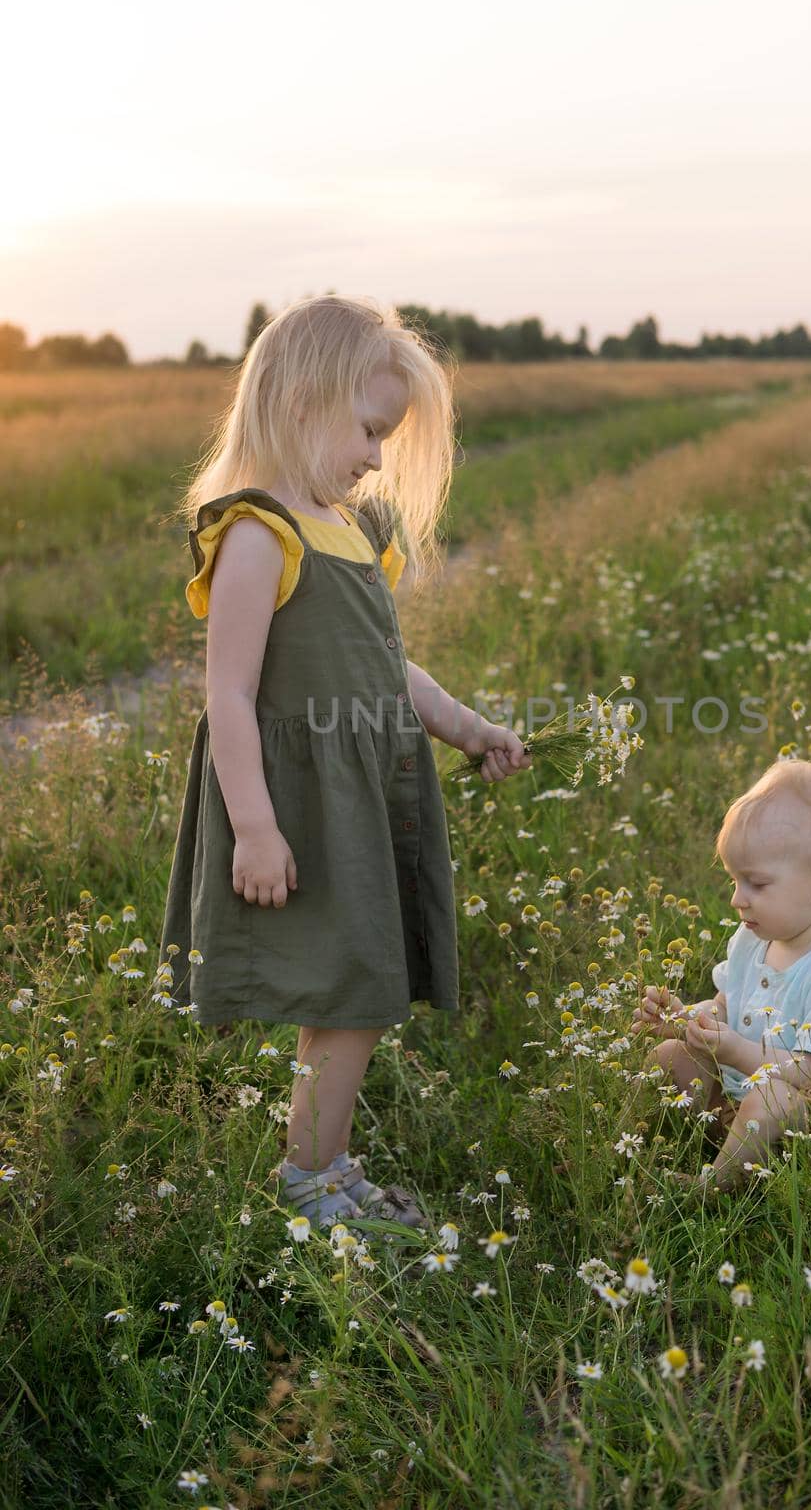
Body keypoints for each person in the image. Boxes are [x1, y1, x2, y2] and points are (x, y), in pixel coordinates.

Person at [158, 294, 531, 1231]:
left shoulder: (354, 530)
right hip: (298, 803)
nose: (375, 457)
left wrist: (468, 727)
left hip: (363, 793)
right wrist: (253, 827)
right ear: (298, 401)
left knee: (357, 986)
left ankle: (320, 1166)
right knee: (353, 987)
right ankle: (311, 1178)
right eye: (368, 431)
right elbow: (230, 695)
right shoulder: (258, 534)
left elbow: (384, 663)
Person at [630, 758, 811, 1190]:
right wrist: (689, 1019)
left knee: (775, 1100)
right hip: (736, 1100)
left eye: (756, 884)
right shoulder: (754, 938)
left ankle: (711, 1189)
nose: (736, 899)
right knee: (671, 1056)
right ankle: (627, 1152)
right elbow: (731, 1003)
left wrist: (733, 1052)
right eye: (734, 881)